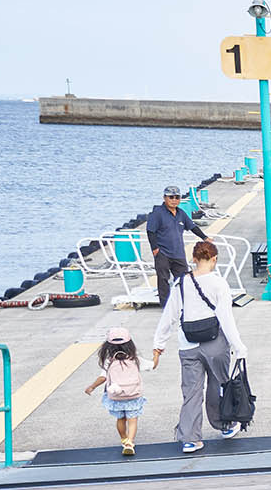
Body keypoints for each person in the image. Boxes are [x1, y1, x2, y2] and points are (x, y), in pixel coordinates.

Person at [152, 238, 247, 454]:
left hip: (188, 344)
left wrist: (159, 344)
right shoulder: (219, 284)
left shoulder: (180, 282)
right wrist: (238, 345)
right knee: (219, 385)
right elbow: (225, 318)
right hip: (215, 344)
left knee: (191, 392)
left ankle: (190, 439)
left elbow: (169, 315)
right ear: (214, 259)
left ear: (193, 259)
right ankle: (225, 425)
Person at [84, 326, 146, 456]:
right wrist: (157, 355)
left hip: (116, 395)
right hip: (133, 395)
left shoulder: (109, 361)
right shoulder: (135, 359)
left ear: (108, 346)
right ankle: (130, 441)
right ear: (130, 344)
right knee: (133, 420)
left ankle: (123, 439)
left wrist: (92, 386)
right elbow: (152, 365)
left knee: (121, 419)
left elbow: (103, 377)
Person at [144, 184, 209, 306]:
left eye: (177, 197)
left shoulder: (181, 213)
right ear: (165, 198)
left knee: (183, 279)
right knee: (163, 279)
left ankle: (184, 303)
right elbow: (150, 231)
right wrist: (155, 249)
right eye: (171, 197)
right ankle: (166, 305)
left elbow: (192, 227)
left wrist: (205, 238)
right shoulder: (157, 213)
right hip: (162, 252)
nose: (174, 200)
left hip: (178, 253)